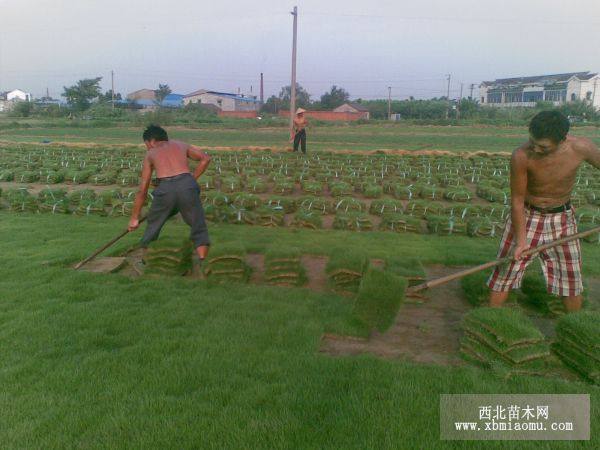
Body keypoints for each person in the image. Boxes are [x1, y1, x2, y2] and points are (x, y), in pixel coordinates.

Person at [488, 110, 600, 312]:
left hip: (562, 218)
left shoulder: (581, 148)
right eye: (533, 142)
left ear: (562, 139)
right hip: (528, 216)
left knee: (571, 278)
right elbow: (517, 200)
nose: (536, 149)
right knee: (505, 272)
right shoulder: (521, 156)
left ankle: (574, 326)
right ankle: (487, 319)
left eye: (543, 147)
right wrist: (521, 242)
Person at [128, 124, 211, 263]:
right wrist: (191, 179)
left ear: (152, 141)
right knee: (197, 222)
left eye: (146, 144)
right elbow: (206, 159)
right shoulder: (181, 145)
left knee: (154, 222)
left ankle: (145, 257)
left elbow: (142, 190)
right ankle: (202, 259)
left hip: (166, 189)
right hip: (187, 185)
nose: (147, 147)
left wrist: (134, 218)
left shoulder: (151, 153)